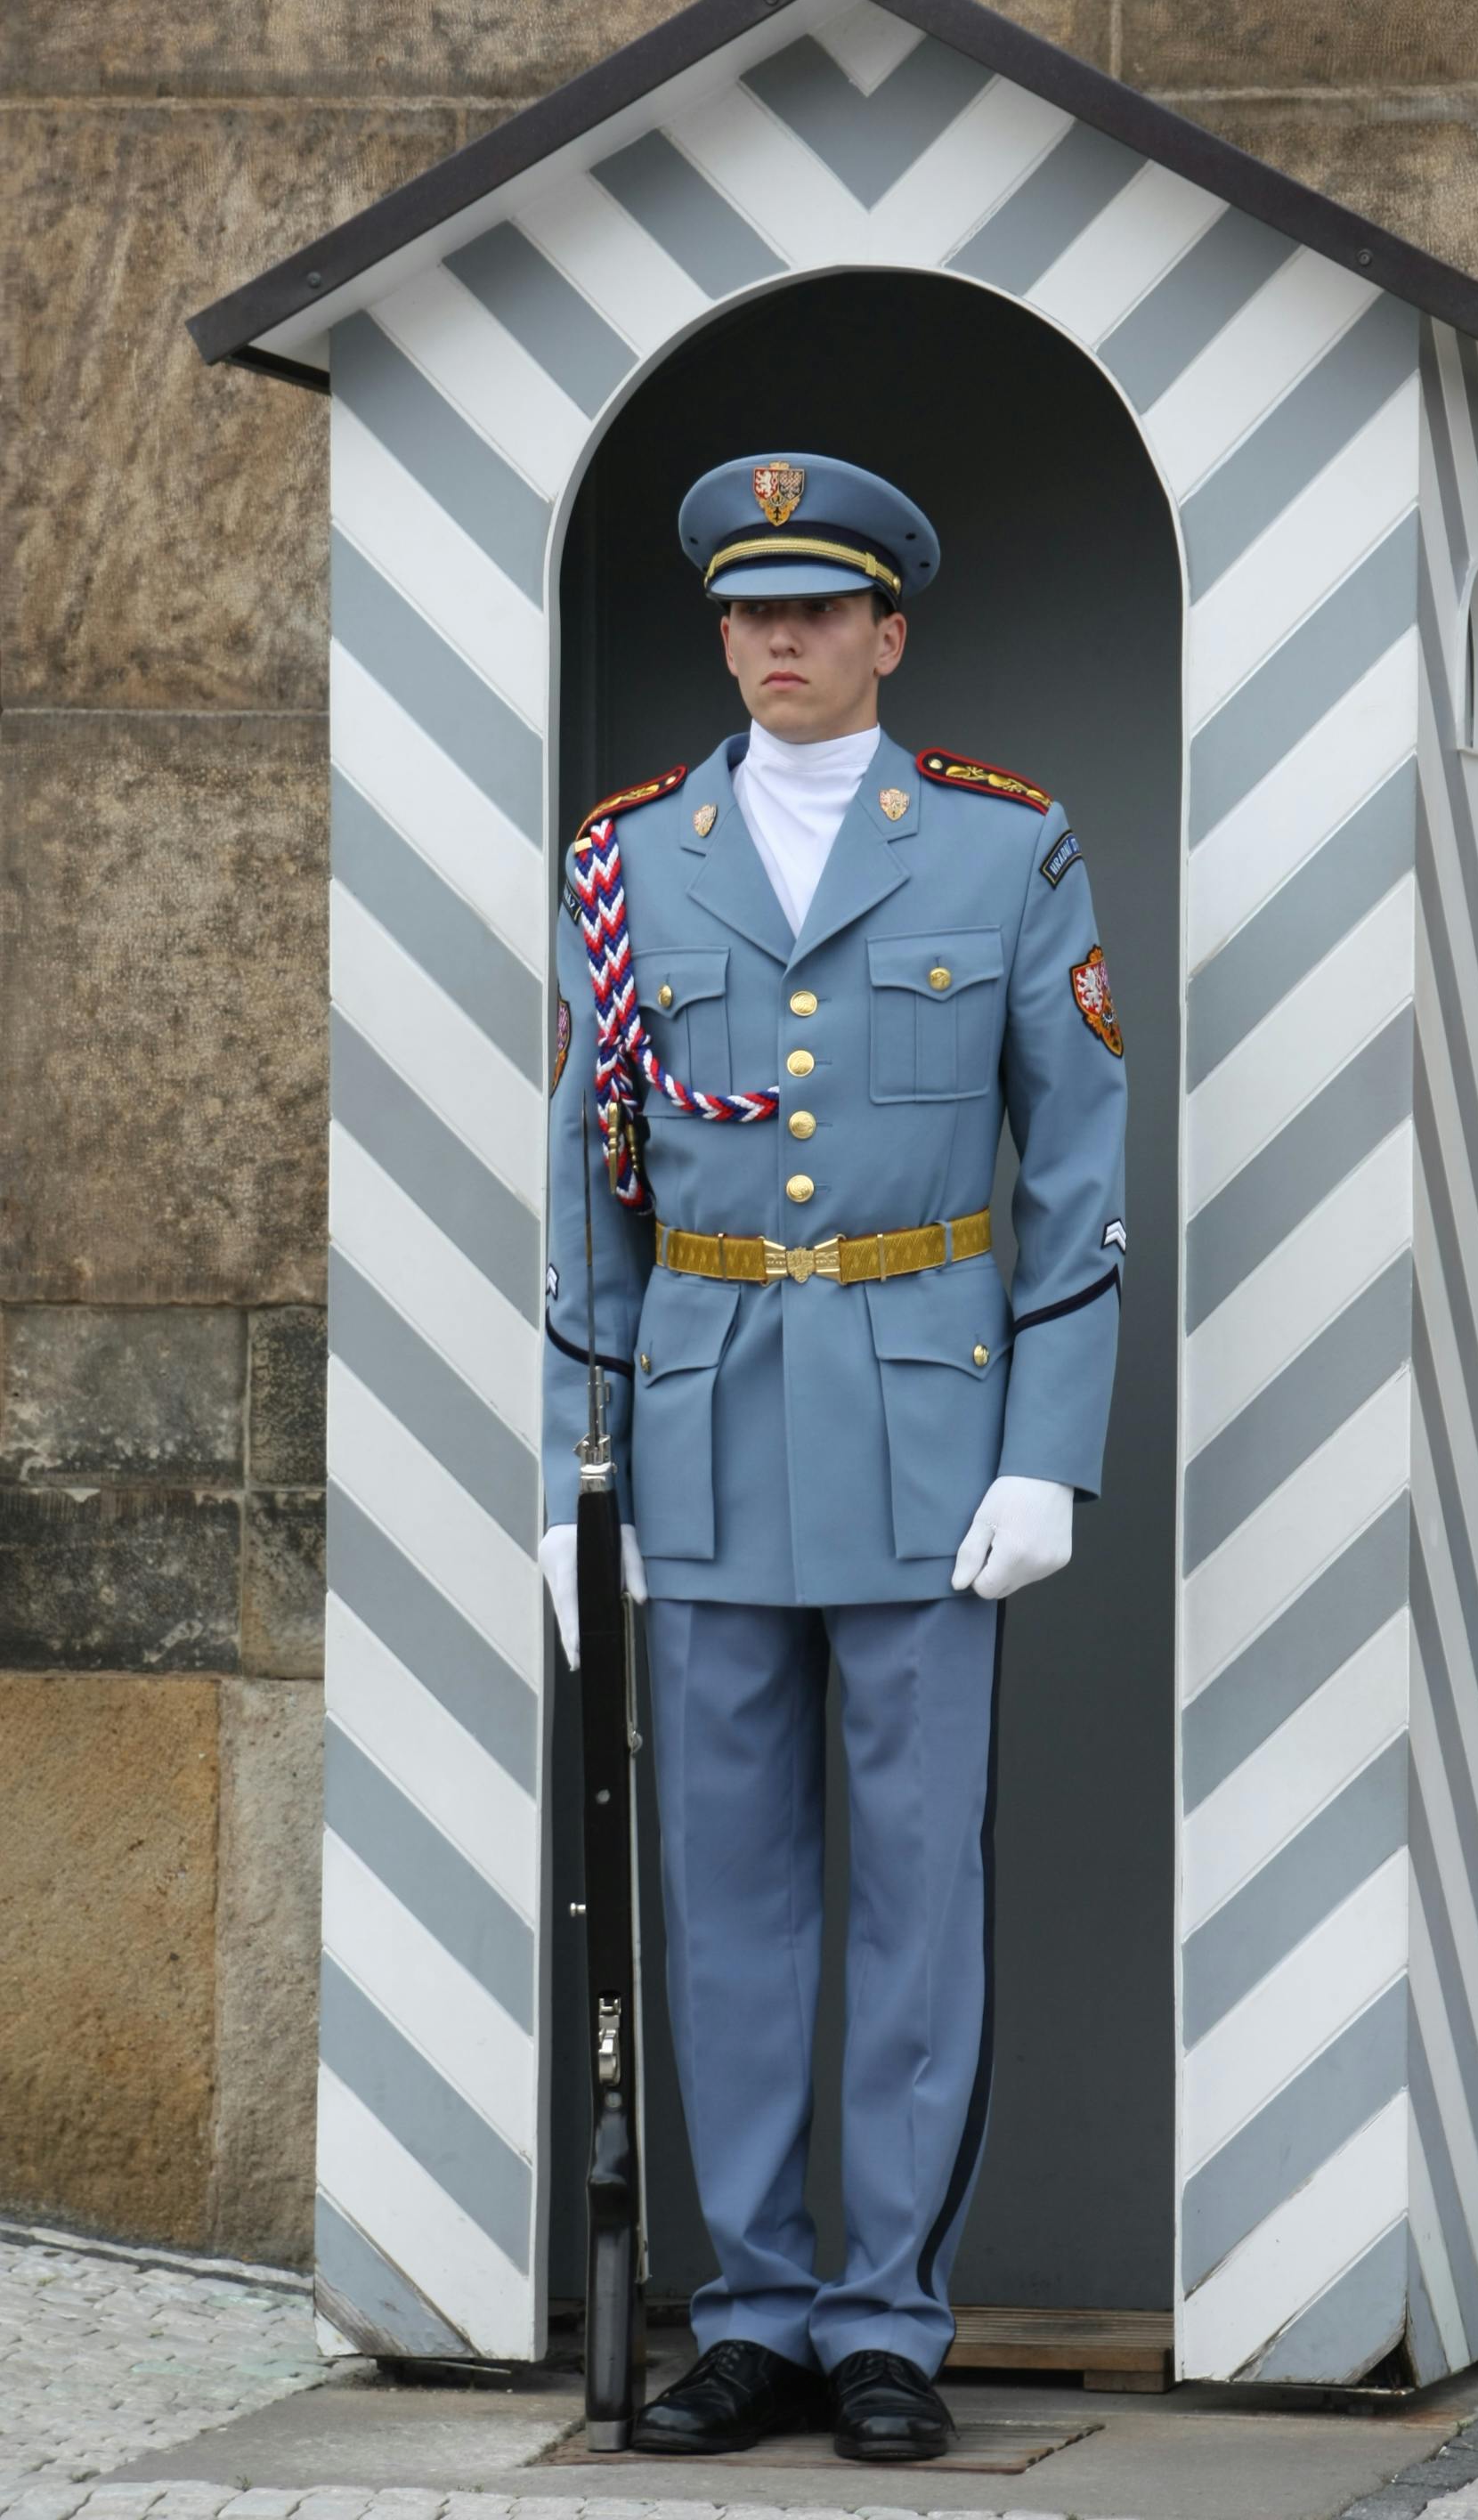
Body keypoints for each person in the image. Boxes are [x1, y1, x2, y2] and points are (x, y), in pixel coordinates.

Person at [538, 451, 1126, 2464]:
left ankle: (887, 2316)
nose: (777, 639)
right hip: (696, 1423)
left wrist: (1048, 1444)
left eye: (818, 608)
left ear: (889, 630)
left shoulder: (1000, 847)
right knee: (729, 1894)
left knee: (911, 1905)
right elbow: (586, 1200)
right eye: (746, 609)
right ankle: (756, 2309)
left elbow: (1073, 1169)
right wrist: (571, 1472)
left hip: (923, 1429)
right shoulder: (626, 861)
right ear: (720, 626)